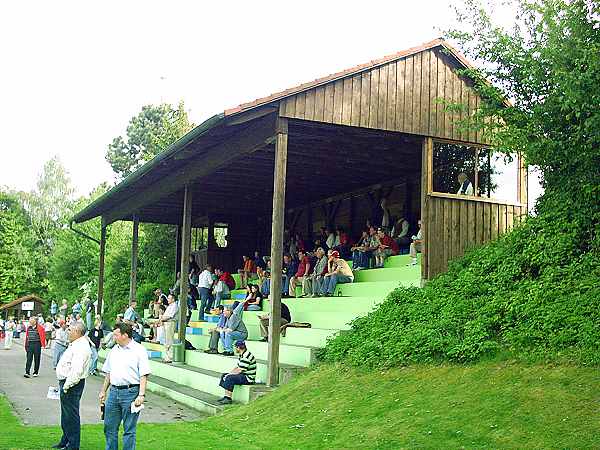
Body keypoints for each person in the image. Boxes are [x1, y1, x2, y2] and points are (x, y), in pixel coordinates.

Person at [99, 323, 150, 450]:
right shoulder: (114, 350)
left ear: (125, 335)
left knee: (129, 429)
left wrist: (141, 395)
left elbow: (144, 374)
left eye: (116, 335)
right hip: (114, 392)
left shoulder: (139, 350)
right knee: (109, 427)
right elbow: (108, 373)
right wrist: (103, 391)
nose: (113, 337)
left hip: (131, 392)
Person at [52, 322, 91, 450]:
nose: (68, 332)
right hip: (68, 383)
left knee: (71, 415)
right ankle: (66, 440)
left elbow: (77, 370)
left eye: (70, 330)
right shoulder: (76, 344)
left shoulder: (82, 347)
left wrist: (66, 386)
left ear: (77, 332)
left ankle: (73, 445)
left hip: (72, 385)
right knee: (66, 414)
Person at [217, 340, 256, 405]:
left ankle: (228, 399)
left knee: (230, 378)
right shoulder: (242, 354)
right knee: (224, 375)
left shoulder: (246, 356)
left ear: (238, 348)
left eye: (235, 347)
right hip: (243, 374)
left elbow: (240, 370)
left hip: (248, 378)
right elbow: (237, 367)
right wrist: (229, 373)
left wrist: (229, 375)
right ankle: (226, 396)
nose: (235, 349)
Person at [158, 294, 178, 363]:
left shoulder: (174, 306)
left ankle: (170, 357)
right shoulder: (170, 306)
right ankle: (167, 357)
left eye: (169, 298)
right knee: (166, 340)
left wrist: (161, 320)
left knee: (169, 340)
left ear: (173, 299)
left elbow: (169, 316)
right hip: (166, 323)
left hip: (170, 323)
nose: (168, 299)